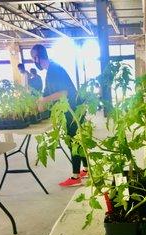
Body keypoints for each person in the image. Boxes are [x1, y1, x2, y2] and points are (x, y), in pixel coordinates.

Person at [30, 44, 88, 187]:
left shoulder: (54, 70)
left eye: (33, 58)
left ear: (37, 57)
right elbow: (47, 91)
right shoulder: (51, 70)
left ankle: (75, 177)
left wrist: (44, 100)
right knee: (78, 140)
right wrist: (41, 100)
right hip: (72, 110)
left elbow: (64, 92)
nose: (33, 61)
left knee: (73, 141)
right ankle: (86, 170)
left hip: (72, 111)